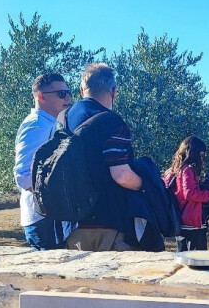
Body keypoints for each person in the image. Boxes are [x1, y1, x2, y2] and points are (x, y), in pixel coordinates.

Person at [64, 63, 143, 252]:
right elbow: (122, 176)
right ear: (114, 91)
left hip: (70, 222)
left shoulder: (62, 118)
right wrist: (145, 184)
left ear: (81, 89)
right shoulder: (112, 122)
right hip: (108, 222)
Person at [14, 73, 72, 250]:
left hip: (51, 218)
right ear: (41, 96)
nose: (68, 98)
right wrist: (55, 199)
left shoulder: (50, 123)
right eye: (61, 94)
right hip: (44, 219)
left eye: (68, 92)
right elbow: (23, 175)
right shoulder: (36, 125)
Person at [163, 136, 209, 251]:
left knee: (182, 254)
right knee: (197, 257)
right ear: (195, 153)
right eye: (201, 155)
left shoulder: (172, 170)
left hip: (179, 219)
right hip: (192, 220)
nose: (202, 159)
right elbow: (189, 193)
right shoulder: (187, 169)